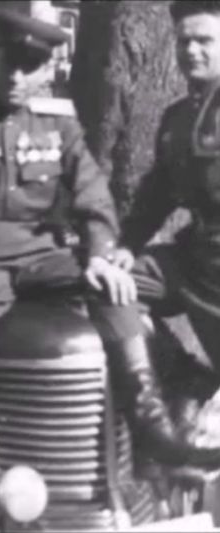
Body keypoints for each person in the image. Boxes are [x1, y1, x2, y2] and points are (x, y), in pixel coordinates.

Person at [0, 10, 220, 532]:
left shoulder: (58, 123)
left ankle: (152, 427)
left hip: (41, 256)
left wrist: (103, 254)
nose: (17, 76)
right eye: (8, 62)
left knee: (112, 285)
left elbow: (93, 200)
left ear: (46, 71)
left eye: (31, 66)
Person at [114, 2, 220, 385]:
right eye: (183, 41)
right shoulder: (178, 116)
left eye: (204, 40)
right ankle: (187, 378)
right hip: (192, 260)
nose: (191, 50)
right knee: (107, 282)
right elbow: (158, 193)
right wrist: (126, 245)